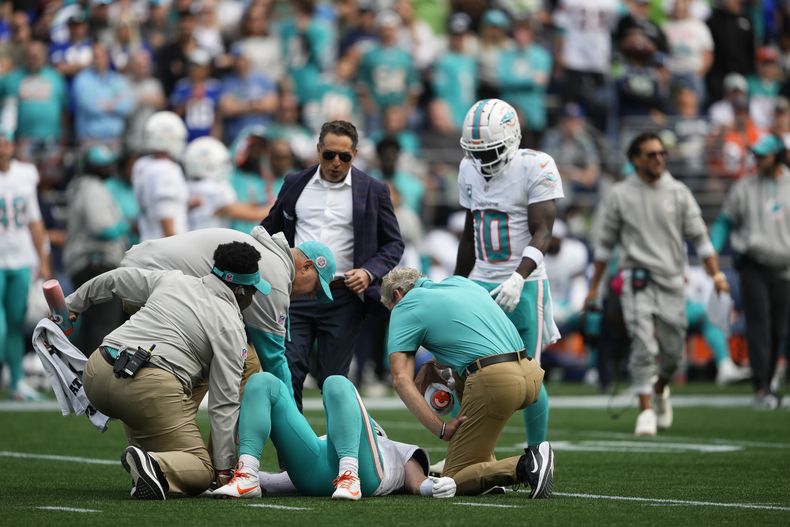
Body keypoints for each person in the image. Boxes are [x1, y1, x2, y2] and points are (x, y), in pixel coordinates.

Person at [72, 241, 267, 499]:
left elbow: (115, 279)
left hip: (97, 370)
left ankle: (147, 458)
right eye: (253, 291)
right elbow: (224, 403)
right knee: (200, 470)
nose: (253, 299)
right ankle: (156, 465)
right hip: (145, 390)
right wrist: (223, 469)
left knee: (190, 381)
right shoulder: (231, 327)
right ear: (240, 289)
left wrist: (72, 303)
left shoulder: (174, 280)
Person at [585, 132, 730, 436]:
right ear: (635, 159)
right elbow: (604, 247)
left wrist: (716, 274)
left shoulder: (678, 192)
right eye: (651, 154)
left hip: (672, 281)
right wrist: (594, 287)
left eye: (662, 153)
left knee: (675, 354)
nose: (659, 158)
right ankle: (646, 410)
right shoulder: (620, 195)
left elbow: (701, 239)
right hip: (636, 280)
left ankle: (661, 388)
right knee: (642, 343)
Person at [261, 120, 403, 410]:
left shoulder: (373, 190)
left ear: (355, 154)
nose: (336, 163)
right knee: (289, 373)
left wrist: (369, 272)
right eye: (329, 155)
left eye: (345, 157)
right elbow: (268, 229)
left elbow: (393, 244)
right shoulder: (294, 183)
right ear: (318, 150)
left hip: (343, 295)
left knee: (334, 382)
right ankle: (293, 454)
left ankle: (342, 455)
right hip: (296, 293)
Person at [381, 268, 554, 498]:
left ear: (398, 294)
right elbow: (471, 337)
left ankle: (525, 465)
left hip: (496, 381)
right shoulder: (461, 283)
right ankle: (488, 471)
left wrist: (440, 429)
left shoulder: (405, 305)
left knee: (451, 480)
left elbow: (401, 379)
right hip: (530, 372)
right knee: (461, 376)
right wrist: (435, 363)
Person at [454, 98, 562, 460]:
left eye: (491, 152)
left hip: (525, 283)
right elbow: (470, 233)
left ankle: (537, 452)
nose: (483, 161)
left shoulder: (537, 165)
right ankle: (471, 452)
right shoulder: (467, 169)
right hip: (481, 279)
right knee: (469, 371)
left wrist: (519, 277)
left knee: (528, 376)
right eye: (476, 153)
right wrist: (457, 283)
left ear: (513, 138)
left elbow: (543, 230)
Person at [120, 227, 335, 400]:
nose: (311, 297)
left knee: (229, 358)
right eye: (315, 288)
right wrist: (294, 420)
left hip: (138, 271)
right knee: (244, 363)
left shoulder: (270, 256)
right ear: (306, 267)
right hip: (149, 281)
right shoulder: (277, 279)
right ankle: (181, 437)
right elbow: (274, 359)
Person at [212, 373, 456, 500]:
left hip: (365, 475)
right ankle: (247, 472)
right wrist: (257, 479)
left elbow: (416, 480)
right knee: (262, 382)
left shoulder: (390, 446)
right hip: (315, 476)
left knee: (335, 382)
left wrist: (430, 488)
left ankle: (349, 474)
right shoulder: (327, 440)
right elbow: (284, 481)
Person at [710, 134, 790, 409]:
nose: (756, 160)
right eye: (755, 155)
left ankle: (768, 382)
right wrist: (712, 250)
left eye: (763, 155)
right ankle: (761, 386)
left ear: (778, 156)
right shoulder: (743, 188)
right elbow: (724, 222)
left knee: (778, 329)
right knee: (759, 327)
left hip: (785, 268)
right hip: (753, 265)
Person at [0, 129, 51, 400]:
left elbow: (34, 220)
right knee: (0, 325)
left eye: (6, 140)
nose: (3, 146)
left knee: (16, 321)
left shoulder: (25, 174)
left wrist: (42, 259)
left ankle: (17, 380)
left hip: (20, 258)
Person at [63, 145, 129, 354]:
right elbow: (101, 227)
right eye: (104, 164)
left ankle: (82, 377)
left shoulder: (82, 186)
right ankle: (95, 379)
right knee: (104, 324)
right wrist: (125, 225)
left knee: (91, 325)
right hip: (96, 262)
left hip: (85, 262)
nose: (110, 167)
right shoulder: (92, 188)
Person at [132, 111, 189, 241]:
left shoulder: (142, 164)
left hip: (148, 239)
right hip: (165, 247)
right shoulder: (165, 170)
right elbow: (165, 214)